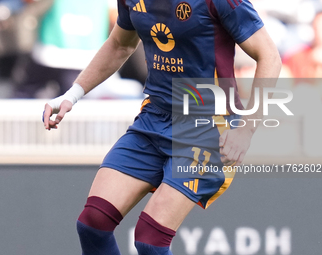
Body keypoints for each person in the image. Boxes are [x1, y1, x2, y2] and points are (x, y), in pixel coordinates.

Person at [43, 0, 281, 254]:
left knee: (150, 241)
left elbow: (270, 57)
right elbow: (119, 44)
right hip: (153, 118)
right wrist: (72, 95)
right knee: (93, 224)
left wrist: (246, 129)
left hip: (208, 126)